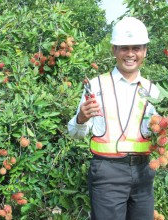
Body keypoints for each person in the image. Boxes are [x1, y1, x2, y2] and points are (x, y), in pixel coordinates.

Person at [68, 17, 160, 220]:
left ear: (144, 51)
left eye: (136, 48)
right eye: (123, 48)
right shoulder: (95, 86)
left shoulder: (154, 91)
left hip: (144, 171)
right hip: (107, 172)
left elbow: (161, 133)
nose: (130, 54)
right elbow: (73, 133)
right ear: (114, 50)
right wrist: (81, 118)